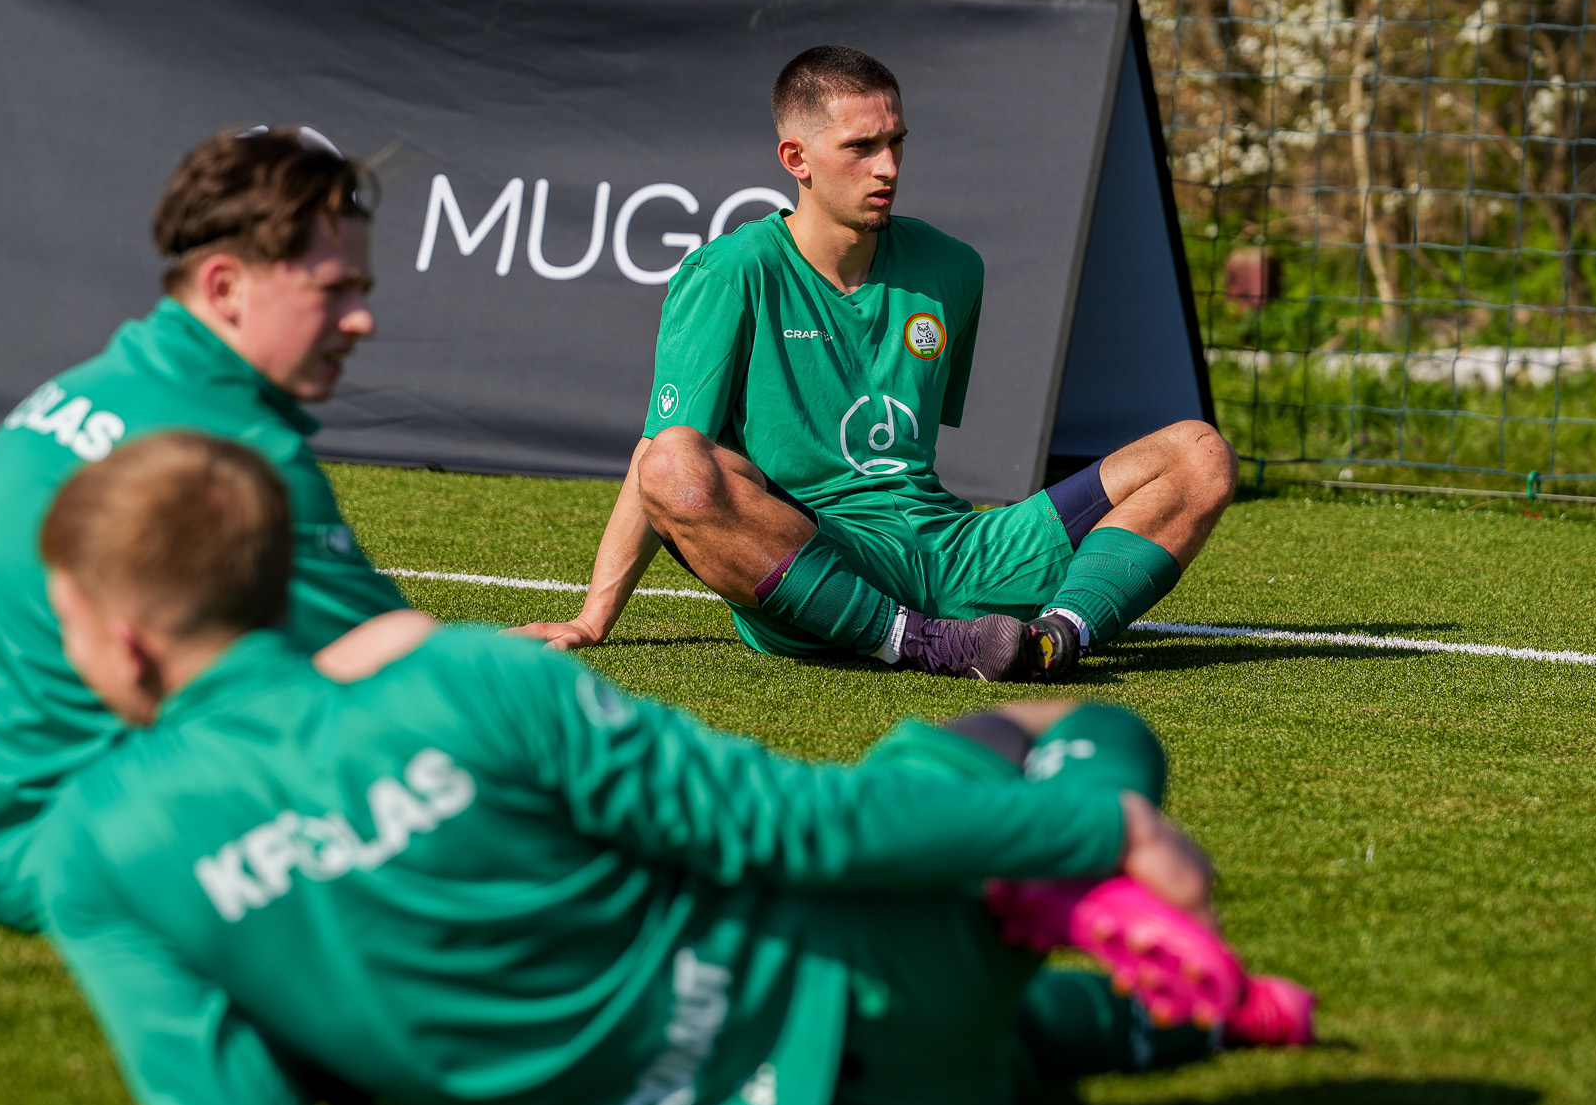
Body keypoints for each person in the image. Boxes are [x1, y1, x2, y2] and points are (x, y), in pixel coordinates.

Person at [30, 431, 1314, 1105]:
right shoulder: (469, 680)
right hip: (882, 980)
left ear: (122, 642)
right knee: (1078, 730)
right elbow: (782, 824)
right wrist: (1098, 826)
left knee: (1003, 1051)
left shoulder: (93, 846)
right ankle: (1064, 896)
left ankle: (1171, 1024)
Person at [513, 46, 1238, 682]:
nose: (887, 166)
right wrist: (593, 616)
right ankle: (918, 642)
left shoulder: (953, 268)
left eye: (896, 142)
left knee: (1199, 452)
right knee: (673, 461)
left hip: (952, 547)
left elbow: (906, 454)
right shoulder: (730, 271)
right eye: (860, 147)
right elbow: (659, 454)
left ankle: (1057, 639)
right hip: (818, 560)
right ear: (796, 159)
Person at [0, 127, 420, 932]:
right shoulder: (238, 453)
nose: (362, 319)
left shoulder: (97, 381)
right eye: (333, 290)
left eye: (362, 289)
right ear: (226, 288)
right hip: (90, 856)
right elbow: (405, 675)